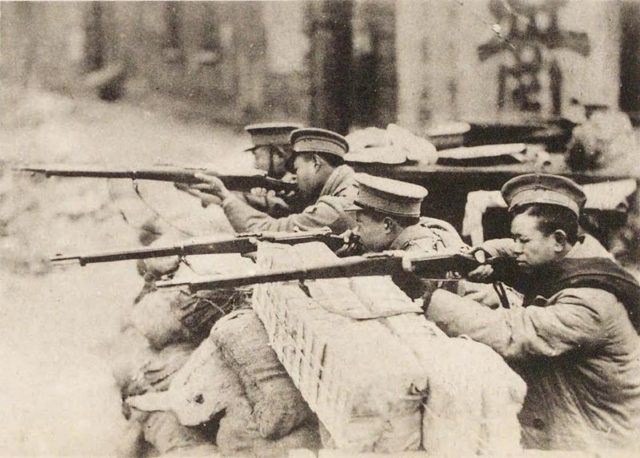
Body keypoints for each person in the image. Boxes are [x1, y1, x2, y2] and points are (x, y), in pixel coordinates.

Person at [422, 173, 640, 452]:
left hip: (598, 440)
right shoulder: (580, 255)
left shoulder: (590, 301)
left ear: (559, 240)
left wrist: (431, 299)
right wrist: (483, 255)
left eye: (522, 240)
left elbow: (516, 334)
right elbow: (510, 250)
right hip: (576, 415)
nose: (516, 248)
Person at [187, 127, 357, 234]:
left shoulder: (336, 208)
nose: (294, 177)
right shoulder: (348, 187)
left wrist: (226, 198)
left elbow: (267, 233)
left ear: (315, 162)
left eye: (297, 169)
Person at [345, 173, 466, 299]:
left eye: (360, 224)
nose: (356, 231)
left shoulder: (417, 260)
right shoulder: (415, 233)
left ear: (387, 225)